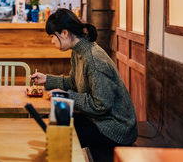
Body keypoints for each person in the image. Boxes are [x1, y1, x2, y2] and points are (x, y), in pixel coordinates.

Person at [31, 9, 137, 162]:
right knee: (51, 121)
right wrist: (47, 79)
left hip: (115, 128)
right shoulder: (78, 51)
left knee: (58, 134)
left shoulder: (94, 59)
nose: (51, 41)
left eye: (52, 37)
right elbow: (74, 83)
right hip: (97, 119)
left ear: (65, 33)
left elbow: (101, 105)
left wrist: (67, 96)